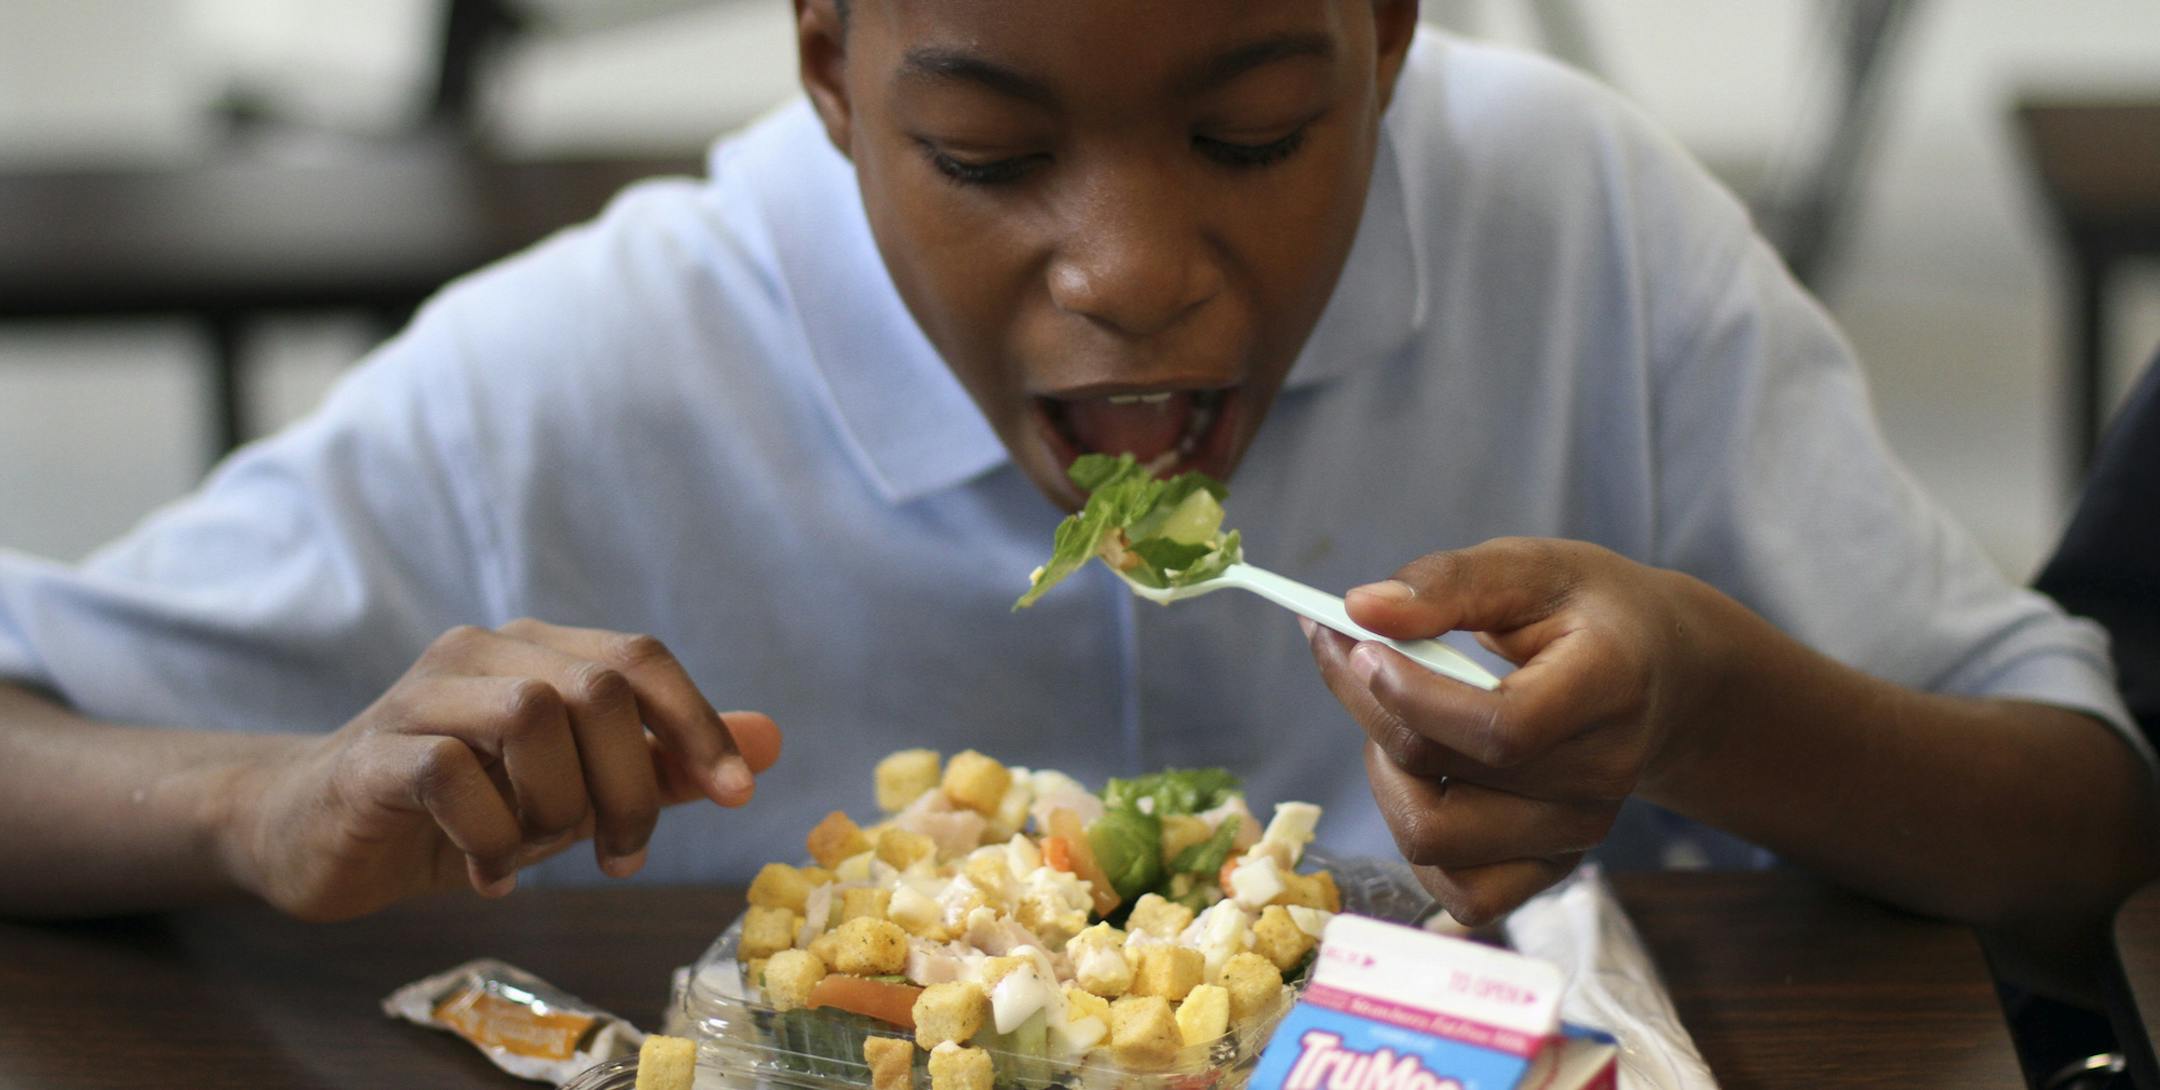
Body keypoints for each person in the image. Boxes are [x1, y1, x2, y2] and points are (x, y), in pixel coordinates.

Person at [1, 0, 2153, 931]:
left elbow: (2080, 820)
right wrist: (262, 796)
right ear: (831, 69)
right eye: (986, 154)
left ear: (1386, 37)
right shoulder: (594, 364)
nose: (1132, 274)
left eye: (1250, 137)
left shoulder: (1581, 233)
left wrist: (1716, 699)